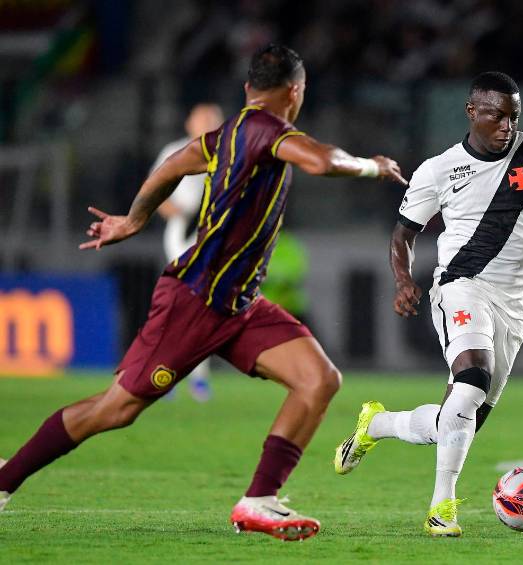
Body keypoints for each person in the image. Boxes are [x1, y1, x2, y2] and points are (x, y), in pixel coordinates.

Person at [0, 44, 405, 541]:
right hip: (196, 299)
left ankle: (258, 501)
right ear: (295, 92)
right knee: (116, 409)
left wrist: (134, 219)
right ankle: (4, 479)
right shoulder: (267, 129)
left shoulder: (225, 134)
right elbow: (322, 162)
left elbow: (173, 164)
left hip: (239, 303)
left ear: (247, 89)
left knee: (318, 379)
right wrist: (372, 166)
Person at [333, 72, 523, 537]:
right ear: (472, 112)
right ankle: (442, 509)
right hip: (461, 286)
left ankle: (379, 424)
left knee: (461, 418)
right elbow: (404, 234)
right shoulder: (438, 170)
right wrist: (403, 280)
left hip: (515, 305)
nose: (506, 125)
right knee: (472, 381)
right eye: (496, 115)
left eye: (513, 116)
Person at [152, 103, 224, 402]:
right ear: (188, 123)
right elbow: (156, 191)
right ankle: (167, 372)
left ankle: (195, 377)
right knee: (185, 303)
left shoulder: (229, 151)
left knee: (204, 308)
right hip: (183, 234)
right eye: (202, 118)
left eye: (213, 118)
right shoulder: (176, 150)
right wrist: (175, 211)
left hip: (216, 236)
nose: (207, 122)